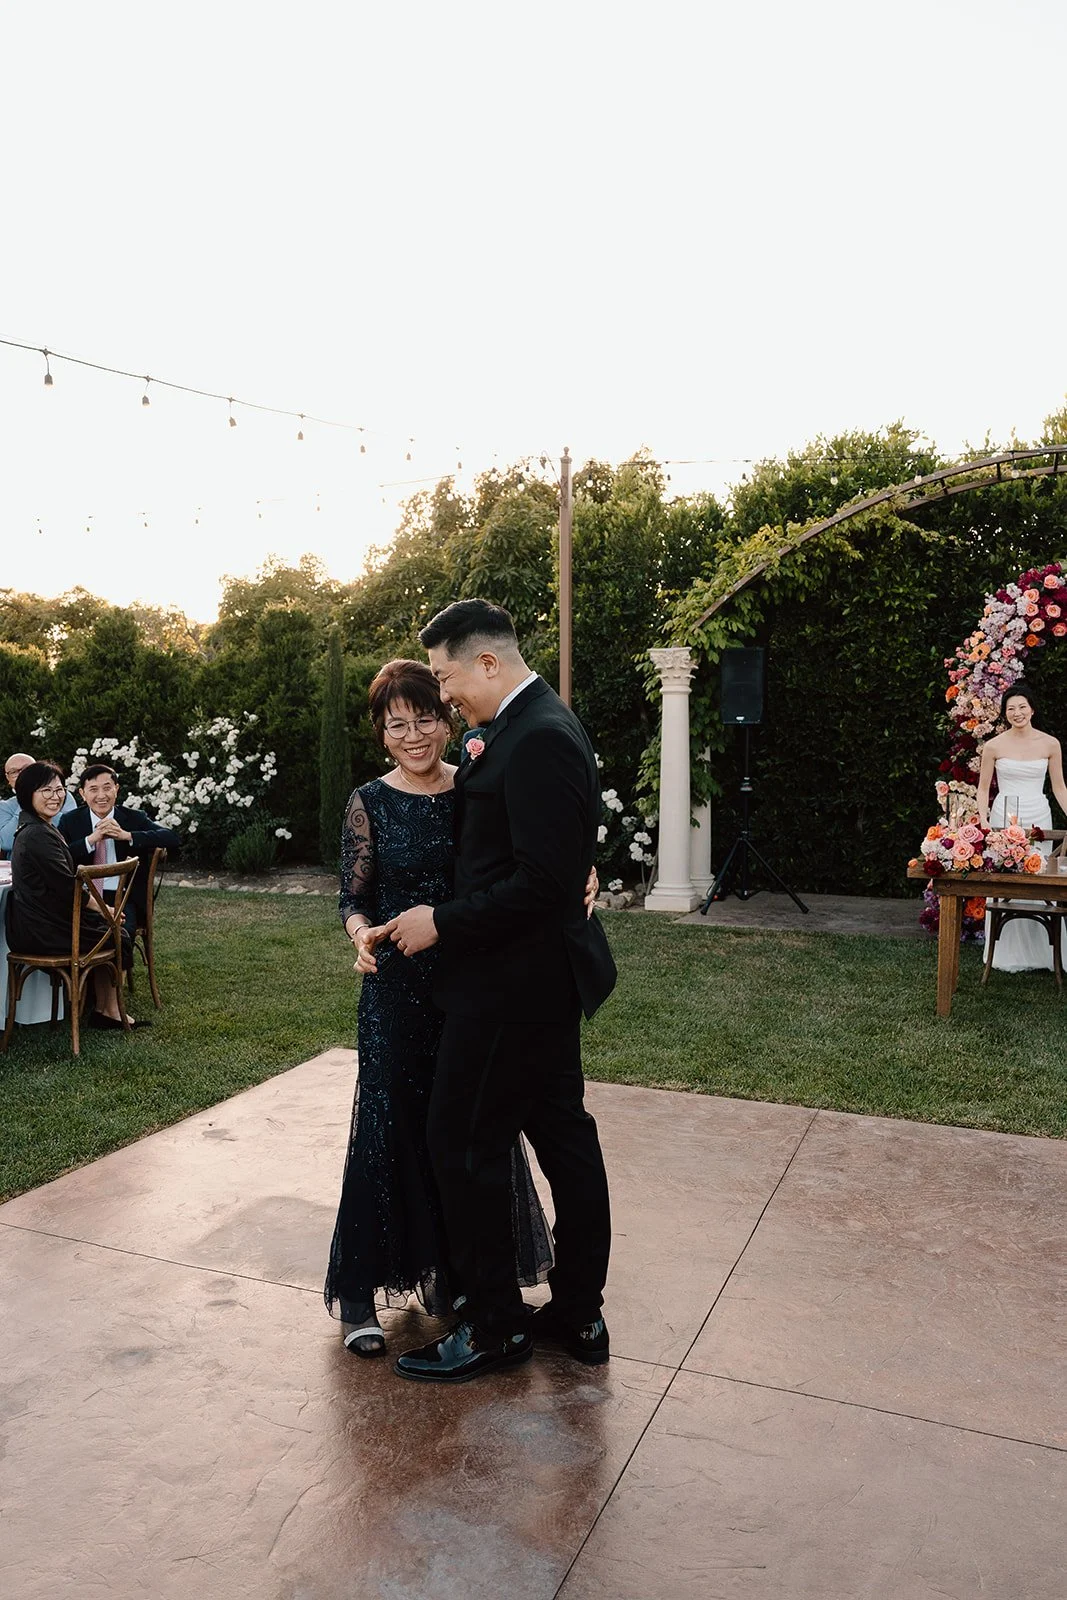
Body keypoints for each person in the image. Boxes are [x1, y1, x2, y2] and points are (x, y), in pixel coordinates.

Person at [325, 659, 600, 1357]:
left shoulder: (475, 782)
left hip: (478, 986)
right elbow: (353, 897)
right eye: (396, 725)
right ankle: (363, 1290)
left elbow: (526, 858)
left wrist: (582, 868)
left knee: (469, 1138)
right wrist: (361, 937)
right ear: (380, 734)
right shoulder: (368, 800)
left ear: (447, 721)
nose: (413, 734)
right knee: (391, 1132)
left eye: (425, 717)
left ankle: (453, 1277)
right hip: (397, 989)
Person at [378, 599, 616, 1385]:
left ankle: (494, 1328)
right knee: (562, 1138)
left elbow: (540, 882)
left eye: (446, 677)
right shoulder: (529, 725)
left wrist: (438, 922)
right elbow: (540, 853)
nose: (445, 697)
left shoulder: (539, 734)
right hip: (538, 981)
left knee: (463, 1145)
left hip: (510, 988)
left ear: (486, 663)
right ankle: (577, 1311)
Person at [6, 761, 144, 1029]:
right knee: (116, 931)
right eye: (46, 791)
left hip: (42, 922)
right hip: (41, 931)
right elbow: (70, 889)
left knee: (109, 929)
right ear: (27, 794)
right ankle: (108, 1011)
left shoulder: (39, 827)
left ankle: (106, 1009)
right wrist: (107, 909)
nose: (55, 797)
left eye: (58, 790)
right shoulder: (37, 834)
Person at [976, 681, 1067, 972]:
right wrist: (984, 820)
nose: (1017, 712)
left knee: (1038, 876)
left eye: (1022, 707)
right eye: (1010, 708)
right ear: (1005, 713)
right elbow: (981, 790)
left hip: (1038, 814)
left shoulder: (1050, 743)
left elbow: (1060, 788)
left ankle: (1044, 952)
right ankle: (1005, 953)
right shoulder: (993, 745)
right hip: (1005, 814)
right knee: (1007, 878)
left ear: (1032, 709)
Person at [59, 763, 182, 935]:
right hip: (84, 897)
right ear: (82, 794)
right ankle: (89, 962)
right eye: (93, 789)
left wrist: (127, 836)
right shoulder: (70, 821)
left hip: (124, 897)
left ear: (116, 789)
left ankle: (116, 962)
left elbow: (172, 838)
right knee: (67, 930)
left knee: (120, 932)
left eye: (107, 788)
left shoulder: (133, 818)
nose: (101, 795)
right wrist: (91, 840)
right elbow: (60, 856)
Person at [0, 751, 77, 855]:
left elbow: (71, 831)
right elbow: (6, 842)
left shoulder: (61, 795)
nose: (22, 774)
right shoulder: (5, 806)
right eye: (14, 772)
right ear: (8, 779)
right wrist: (25, 799)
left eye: (27, 769)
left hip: (59, 855)